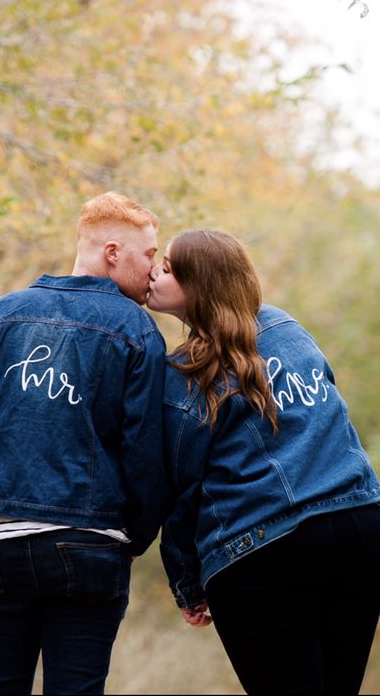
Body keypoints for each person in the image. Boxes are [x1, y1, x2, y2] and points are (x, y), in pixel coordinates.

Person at [0, 191, 167, 696]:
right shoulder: (137, 330)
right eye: (149, 255)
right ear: (113, 252)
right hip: (88, 544)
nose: (154, 271)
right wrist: (133, 536)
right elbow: (144, 455)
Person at [147, 228, 380, 696]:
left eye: (168, 267)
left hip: (263, 549)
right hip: (360, 527)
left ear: (199, 286)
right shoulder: (287, 329)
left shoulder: (183, 371)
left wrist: (187, 584)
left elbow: (178, 486)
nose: (153, 270)